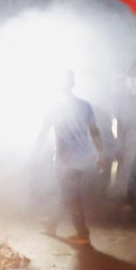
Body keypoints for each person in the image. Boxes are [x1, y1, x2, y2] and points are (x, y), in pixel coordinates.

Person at [37, 70, 103, 245]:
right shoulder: (84, 105)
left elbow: (44, 131)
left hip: (65, 159)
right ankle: (52, 224)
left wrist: (34, 153)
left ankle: (82, 232)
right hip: (82, 157)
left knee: (71, 194)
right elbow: (94, 131)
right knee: (67, 192)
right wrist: (101, 153)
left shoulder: (53, 106)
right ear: (73, 84)